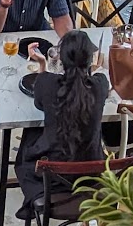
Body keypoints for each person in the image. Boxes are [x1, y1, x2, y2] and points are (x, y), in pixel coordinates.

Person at [14, 29, 111, 215]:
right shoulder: (100, 84)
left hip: (51, 176)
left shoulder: (48, 83)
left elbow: (39, 102)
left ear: (62, 59)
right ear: (90, 60)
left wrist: (42, 65)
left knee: (30, 135)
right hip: (90, 175)